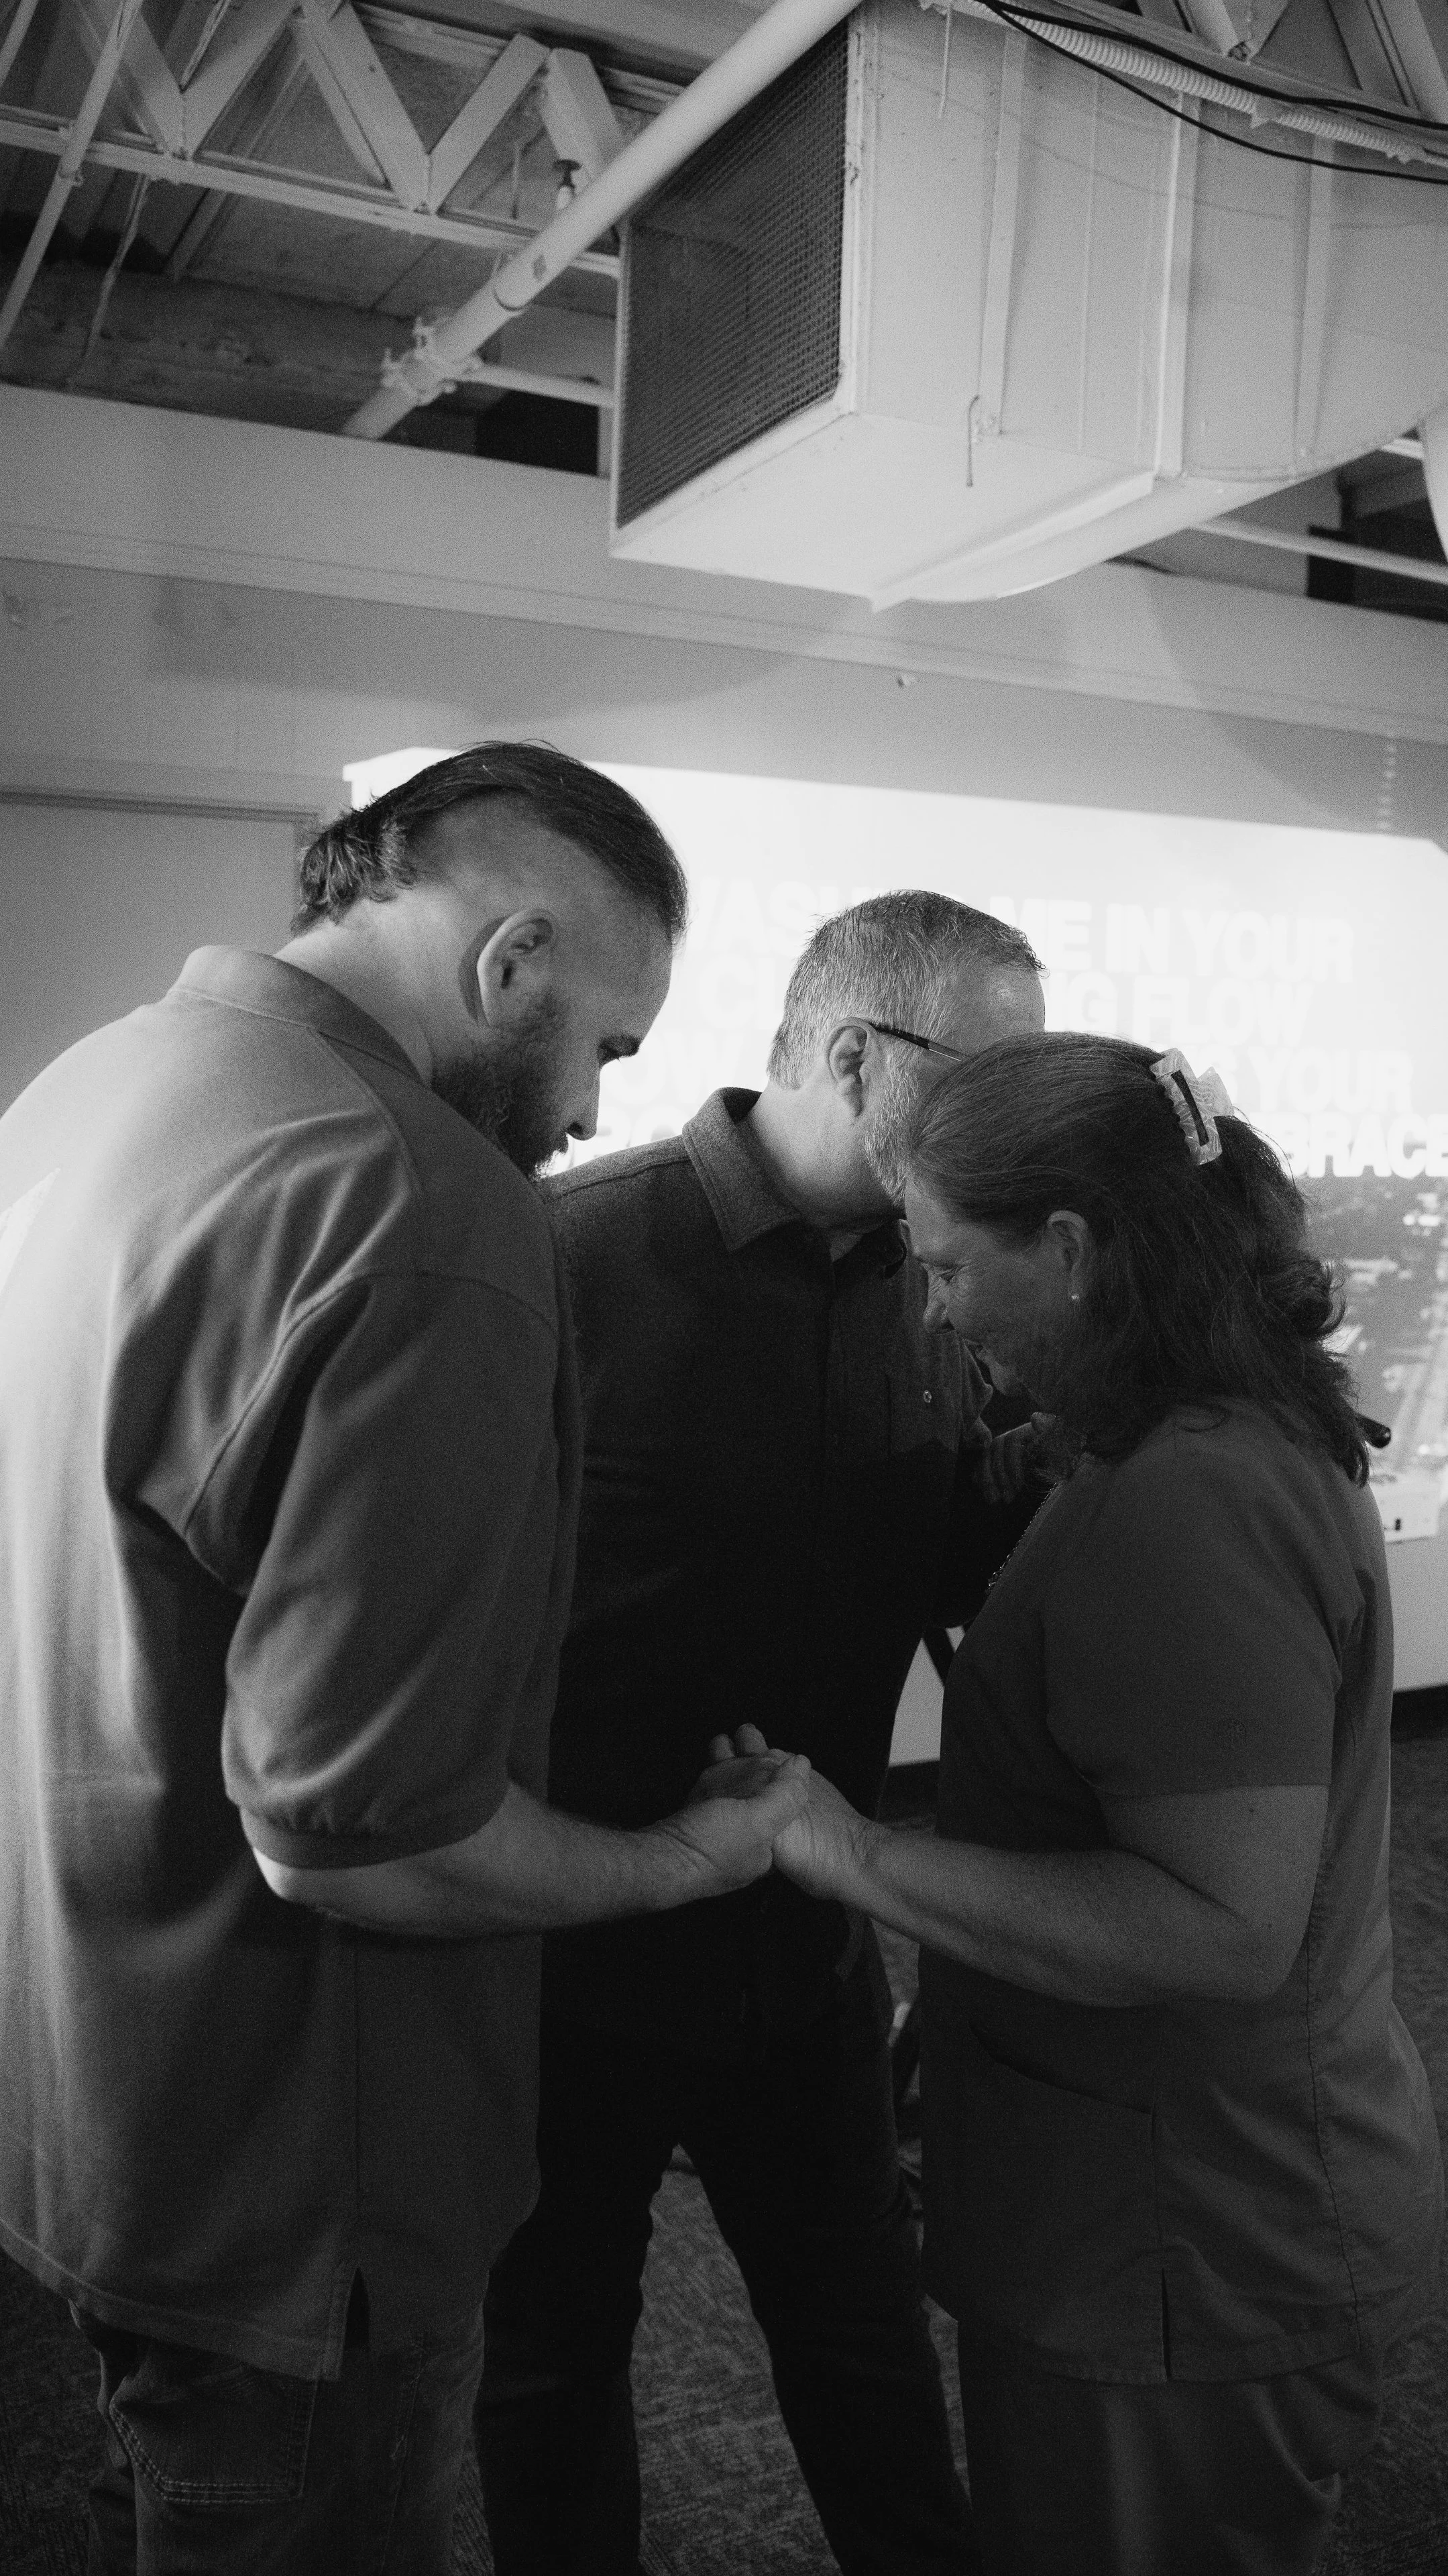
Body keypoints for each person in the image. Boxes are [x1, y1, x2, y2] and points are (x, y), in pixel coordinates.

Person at [0, 743, 810, 2576]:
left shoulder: (95, 1084)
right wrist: (685, 1859)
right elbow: (365, 1834)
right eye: (605, 1044)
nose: (598, 1112)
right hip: (296, 2177)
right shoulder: (425, 1203)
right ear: (507, 958)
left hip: (88, 2087)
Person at [756, 1029, 1445, 2576]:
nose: (930, 1310)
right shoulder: (1206, 1430)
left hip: (1185, 2242)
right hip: (1172, 2215)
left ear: (1066, 1250)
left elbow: (1212, 1928)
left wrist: (846, 1848)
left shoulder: (1187, 1493)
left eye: (944, 1267)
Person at [475, 892, 1047, 2576]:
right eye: (988, 1078)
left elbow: (940, 1561)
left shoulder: (939, 1281)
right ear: (857, 1052)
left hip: (804, 1945)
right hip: (569, 1945)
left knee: (865, 2349)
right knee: (551, 2367)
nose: (1008, 1123)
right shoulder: (559, 1254)